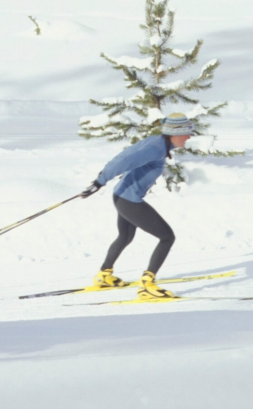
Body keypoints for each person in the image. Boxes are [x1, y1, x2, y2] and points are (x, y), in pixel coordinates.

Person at [81, 113, 193, 300]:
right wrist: (100, 180)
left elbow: (124, 155)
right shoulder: (156, 148)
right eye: (187, 132)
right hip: (129, 201)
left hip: (121, 195)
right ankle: (147, 285)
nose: (189, 137)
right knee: (167, 237)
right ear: (176, 133)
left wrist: (101, 179)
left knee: (125, 236)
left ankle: (103, 275)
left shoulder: (157, 142)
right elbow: (124, 160)